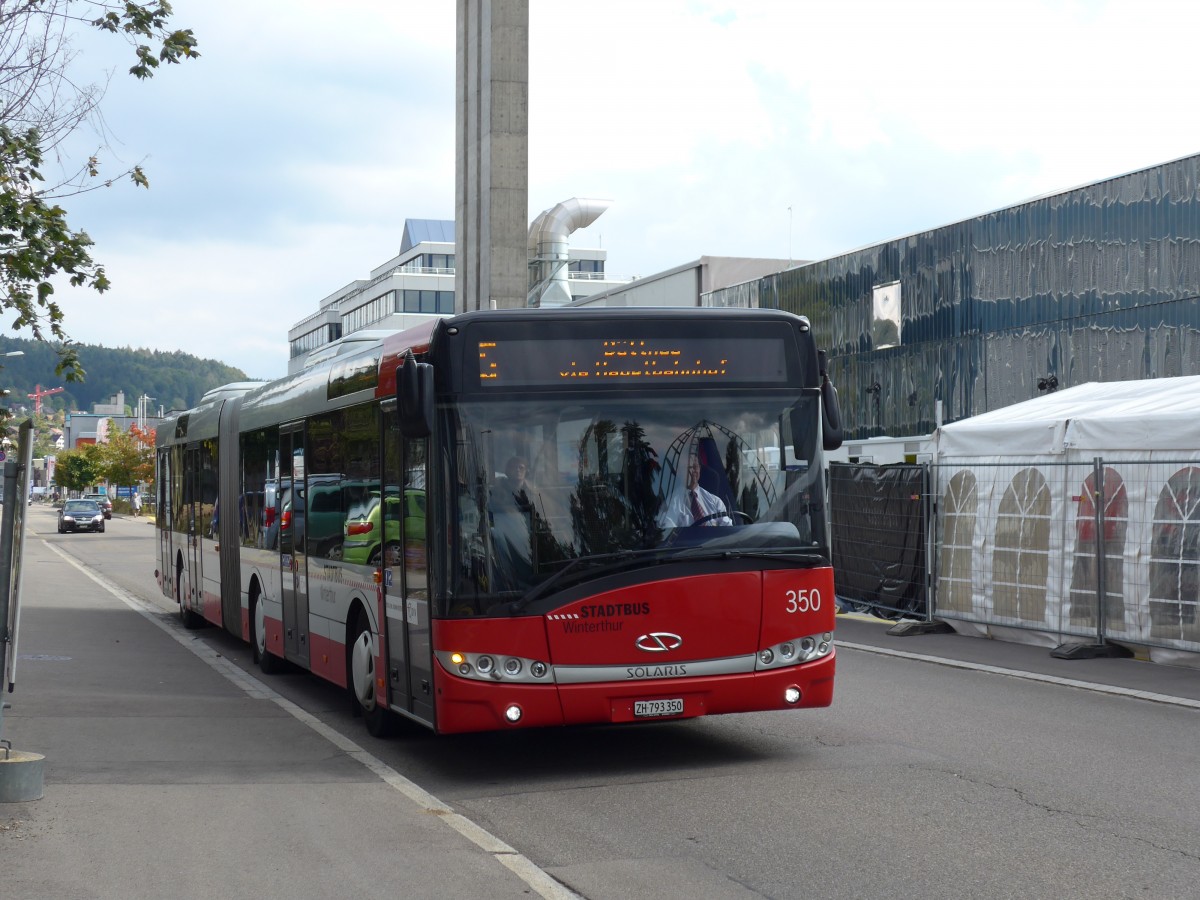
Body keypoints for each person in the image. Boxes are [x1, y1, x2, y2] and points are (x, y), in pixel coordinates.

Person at [659, 452, 731, 528]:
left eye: (694, 467)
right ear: (678, 471)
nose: (692, 471)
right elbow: (668, 531)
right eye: (687, 467)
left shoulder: (715, 502)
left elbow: (728, 530)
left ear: (699, 469)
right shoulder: (671, 503)